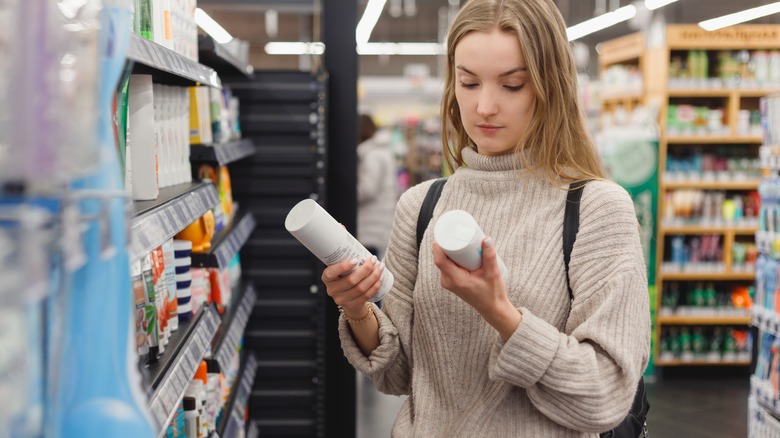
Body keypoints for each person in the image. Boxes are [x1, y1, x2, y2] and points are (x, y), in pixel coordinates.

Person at [323, 0, 651, 436]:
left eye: (513, 85)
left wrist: (499, 312)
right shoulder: (420, 207)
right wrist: (357, 307)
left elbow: (604, 395)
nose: (484, 107)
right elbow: (398, 375)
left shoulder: (596, 209)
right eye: (469, 83)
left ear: (550, 86)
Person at [357, 113, 398, 260]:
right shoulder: (381, 152)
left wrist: (345, 193)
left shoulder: (372, 156)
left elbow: (367, 189)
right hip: (378, 223)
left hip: (370, 226)